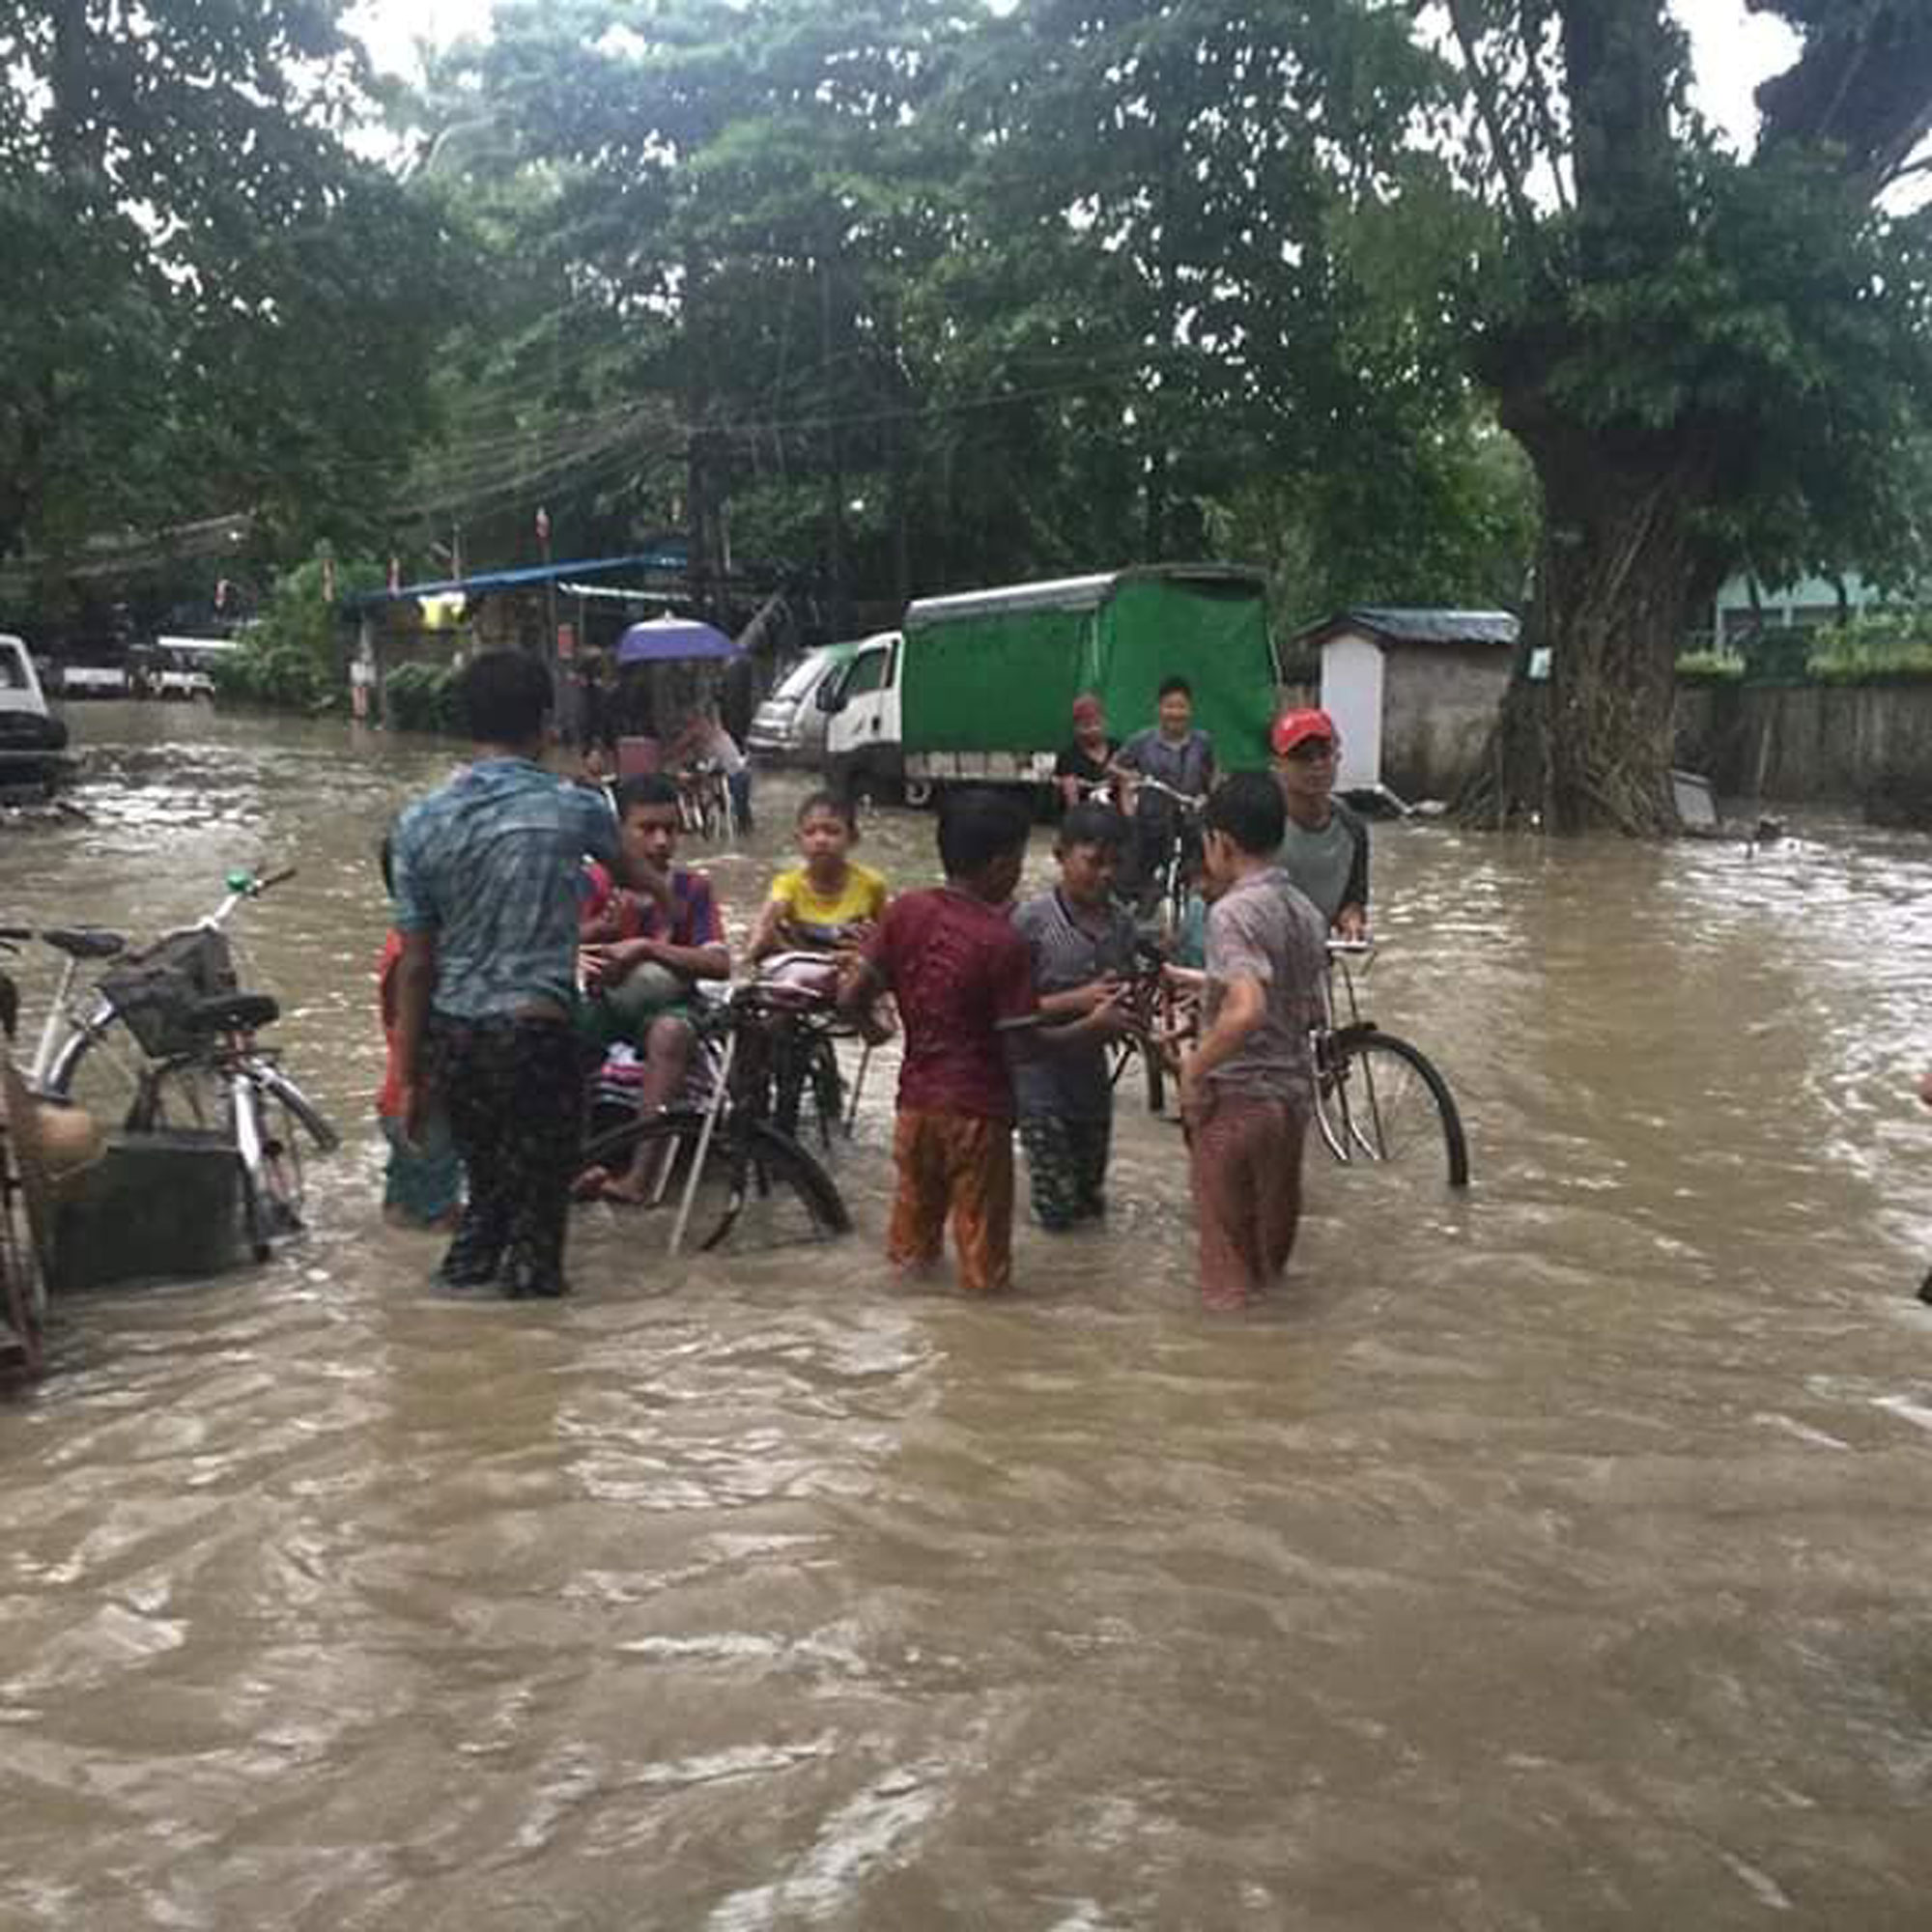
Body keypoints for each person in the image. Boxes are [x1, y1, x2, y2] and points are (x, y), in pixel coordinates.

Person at [388, 649, 618, 1299]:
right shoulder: (574, 805)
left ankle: (454, 1341)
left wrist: (409, 1077)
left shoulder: (416, 823)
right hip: (534, 1038)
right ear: (546, 723)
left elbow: (417, 966)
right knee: (538, 1235)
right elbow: (639, 874)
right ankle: (527, 1366)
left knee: (487, 1203)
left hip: (455, 1043)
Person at [841, 788, 1122, 1293]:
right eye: (1016, 860)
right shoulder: (1001, 941)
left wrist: (872, 1029)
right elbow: (1025, 1047)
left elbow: (852, 993)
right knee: (984, 1268)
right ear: (998, 866)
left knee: (909, 1251)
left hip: (913, 1108)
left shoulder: (905, 911)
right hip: (978, 1116)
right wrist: (1092, 1028)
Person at [1176, 771, 1327, 1311]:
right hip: (1290, 1107)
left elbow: (1248, 1009)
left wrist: (1194, 1068)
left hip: (1237, 1103)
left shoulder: (1231, 912)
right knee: (1268, 1278)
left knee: (1225, 1287)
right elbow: (1295, 1002)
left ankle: (1231, 1392)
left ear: (1221, 842)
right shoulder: (1306, 913)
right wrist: (1203, 985)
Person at [576, 774, 731, 1201]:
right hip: (604, 1003)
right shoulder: (595, 883)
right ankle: (570, 1161)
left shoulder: (692, 889)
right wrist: (595, 934)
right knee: (558, 1027)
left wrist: (646, 949)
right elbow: (557, 941)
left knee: (671, 1032)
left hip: (670, 1007)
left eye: (671, 829)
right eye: (647, 829)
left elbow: (719, 964)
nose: (661, 841)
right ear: (619, 832)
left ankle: (640, 1181)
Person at [1012, 803, 1139, 1231]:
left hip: (1092, 1086)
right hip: (1039, 1085)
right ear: (1060, 855)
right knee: (1055, 1208)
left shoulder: (1122, 924)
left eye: (1115, 864)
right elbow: (1008, 1011)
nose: (1105, 874)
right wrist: (1078, 1000)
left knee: (1090, 1201)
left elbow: (1124, 990)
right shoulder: (1031, 922)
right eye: (1094, 862)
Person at [375, 836, 462, 1232]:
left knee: (402, 1214)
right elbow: (429, 1035)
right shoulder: (420, 957)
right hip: (426, 1106)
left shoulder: (407, 942)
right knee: (443, 1221)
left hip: (401, 1099)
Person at [749, 790, 889, 964]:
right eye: (810, 832)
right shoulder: (787, 885)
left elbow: (890, 944)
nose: (820, 840)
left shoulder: (872, 884)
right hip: (807, 966)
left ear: (853, 838)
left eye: (832, 832)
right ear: (798, 840)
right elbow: (754, 946)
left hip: (851, 968)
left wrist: (870, 948)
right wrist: (766, 931)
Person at [1270, 706, 1369, 938]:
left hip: (1317, 953)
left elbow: (1352, 899)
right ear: (1278, 764)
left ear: (1337, 757)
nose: (1316, 765)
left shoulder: (1353, 828)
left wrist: (1352, 923)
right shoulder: (1262, 819)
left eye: (1324, 754)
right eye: (1302, 756)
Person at [1116, 674, 1215, 901]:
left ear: (1190, 709)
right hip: (1151, 822)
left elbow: (1212, 773)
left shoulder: (1202, 742)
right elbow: (1112, 767)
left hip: (1190, 823)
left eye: (1181, 706)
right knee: (1140, 879)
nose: (1175, 713)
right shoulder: (1142, 741)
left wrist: (1207, 795)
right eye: (1170, 706)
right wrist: (1129, 776)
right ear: (1159, 709)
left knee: (1195, 875)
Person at [672, 701, 753, 833]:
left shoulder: (709, 737)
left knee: (700, 790)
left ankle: (700, 826)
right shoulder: (720, 735)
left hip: (731, 781)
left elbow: (682, 749)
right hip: (740, 776)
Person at [1053, 693, 1122, 813]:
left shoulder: (1118, 748)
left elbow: (1131, 780)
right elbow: (1071, 800)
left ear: (1104, 721)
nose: (1092, 730)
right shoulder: (1068, 756)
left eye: (1097, 723)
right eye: (1086, 725)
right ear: (1076, 727)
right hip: (1085, 820)